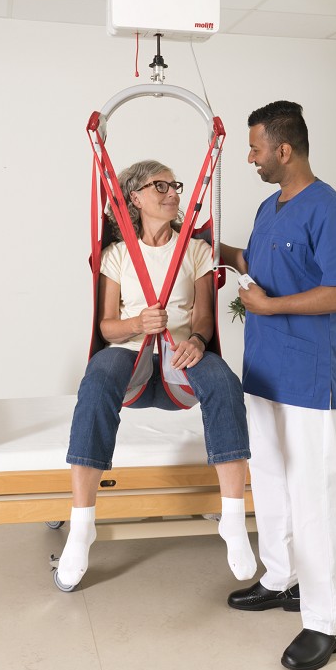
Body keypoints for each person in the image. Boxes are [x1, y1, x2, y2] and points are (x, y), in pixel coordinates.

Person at [56, 159, 256, 590]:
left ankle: (234, 522)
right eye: (159, 186)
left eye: (175, 185)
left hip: (178, 364)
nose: (171, 193)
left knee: (224, 382)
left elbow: (204, 320)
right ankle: (82, 526)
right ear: (136, 198)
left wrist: (198, 342)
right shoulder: (117, 255)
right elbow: (107, 326)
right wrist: (136, 326)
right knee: (95, 379)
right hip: (130, 357)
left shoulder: (197, 250)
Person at [221, 101, 336, 670]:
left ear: (284, 150)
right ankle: (281, 579)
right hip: (265, 371)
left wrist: (271, 306)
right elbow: (259, 261)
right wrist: (213, 249)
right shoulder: (267, 205)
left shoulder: (331, 211)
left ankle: (325, 622)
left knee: (314, 495)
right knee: (272, 480)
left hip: (309, 374)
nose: (250, 158)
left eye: (255, 149)